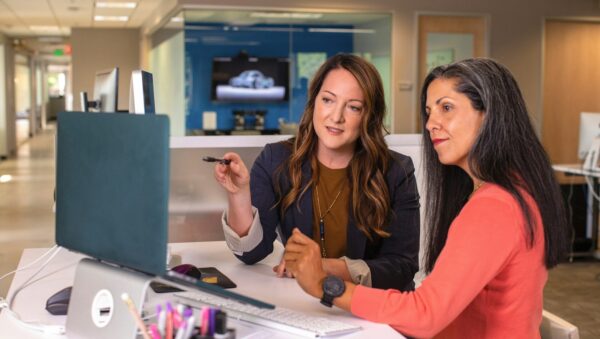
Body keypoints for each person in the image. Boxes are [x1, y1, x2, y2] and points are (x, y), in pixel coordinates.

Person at [283, 58, 571, 338]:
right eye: (429, 111)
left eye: (447, 108)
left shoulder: (495, 206)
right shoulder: (517, 191)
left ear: (490, 115)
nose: (432, 123)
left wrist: (325, 286)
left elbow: (425, 317)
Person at [213, 54, 420, 290]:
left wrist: (321, 266)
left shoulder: (396, 171)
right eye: (328, 100)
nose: (336, 117)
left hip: (370, 308)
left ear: (369, 116)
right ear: (314, 102)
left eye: (353, 107)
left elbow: (402, 267)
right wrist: (239, 194)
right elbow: (251, 253)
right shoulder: (276, 160)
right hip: (304, 302)